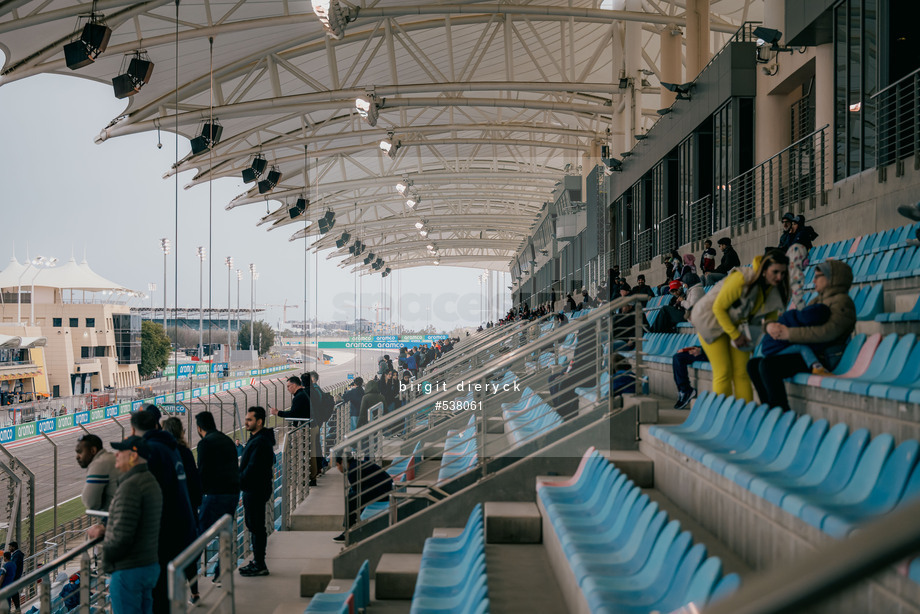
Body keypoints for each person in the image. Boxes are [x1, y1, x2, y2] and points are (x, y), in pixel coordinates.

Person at [748, 260, 856, 412]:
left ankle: (780, 411)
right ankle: (769, 409)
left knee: (768, 366)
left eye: (818, 276)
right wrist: (772, 326)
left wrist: (788, 334)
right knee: (753, 365)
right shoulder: (817, 300)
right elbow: (800, 322)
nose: (813, 280)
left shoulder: (843, 302)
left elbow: (827, 333)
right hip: (807, 352)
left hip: (821, 358)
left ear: (832, 278)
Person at [689, 249, 790, 402]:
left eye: (782, 273)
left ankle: (744, 413)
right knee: (723, 372)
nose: (779, 277)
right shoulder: (742, 279)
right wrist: (735, 335)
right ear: (764, 269)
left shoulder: (773, 289)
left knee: (742, 372)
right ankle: (723, 415)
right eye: (775, 272)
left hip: (739, 326)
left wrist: (769, 327)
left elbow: (770, 318)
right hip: (710, 320)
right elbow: (718, 308)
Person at [130, 408, 196, 614]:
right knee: (166, 594)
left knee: (158, 596)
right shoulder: (170, 446)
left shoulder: (150, 450)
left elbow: (144, 494)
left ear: (134, 429)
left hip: (164, 533)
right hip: (181, 528)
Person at [86, 435, 162, 614]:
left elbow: (121, 538)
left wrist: (107, 562)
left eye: (121, 451)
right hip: (147, 564)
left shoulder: (131, 486)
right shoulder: (150, 480)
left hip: (129, 570)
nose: (116, 454)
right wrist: (107, 527)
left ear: (134, 456)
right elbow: (134, 522)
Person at [161, 417, 202, 604]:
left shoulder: (164, 453)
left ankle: (173, 594)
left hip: (170, 513)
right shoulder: (185, 452)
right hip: (188, 510)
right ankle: (194, 591)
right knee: (189, 552)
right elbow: (194, 481)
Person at [195, 411, 240, 583]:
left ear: (199, 428)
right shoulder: (226, 439)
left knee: (200, 536)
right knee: (225, 535)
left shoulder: (205, 443)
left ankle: (188, 576)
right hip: (233, 493)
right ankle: (221, 574)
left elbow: (202, 472)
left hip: (215, 494)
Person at [238, 406, 275, 577]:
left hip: (255, 489)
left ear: (259, 422)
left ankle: (260, 563)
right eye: (246, 419)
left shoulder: (260, 442)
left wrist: (239, 483)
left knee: (256, 527)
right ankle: (258, 561)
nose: (246, 422)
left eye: (250, 420)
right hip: (255, 488)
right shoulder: (259, 439)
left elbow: (252, 468)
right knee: (255, 526)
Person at [333, 456, 394, 542]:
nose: (338, 468)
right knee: (352, 496)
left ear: (342, 462)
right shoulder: (357, 465)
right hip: (386, 489)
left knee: (351, 498)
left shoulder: (353, 471)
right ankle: (351, 527)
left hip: (384, 492)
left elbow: (357, 497)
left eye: (337, 465)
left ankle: (348, 531)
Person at [76, 434, 120, 512]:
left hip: (117, 518)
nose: (77, 457)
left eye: (80, 452)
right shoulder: (109, 457)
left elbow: (90, 503)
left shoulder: (100, 463)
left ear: (93, 450)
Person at [5, 541, 23, 612]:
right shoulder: (17, 554)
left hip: (14, 577)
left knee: (13, 593)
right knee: (14, 593)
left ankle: (17, 609)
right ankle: (17, 609)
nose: (9, 548)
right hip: (15, 577)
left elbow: (13, 566)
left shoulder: (17, 555)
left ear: (14, 547)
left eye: (10, 547)